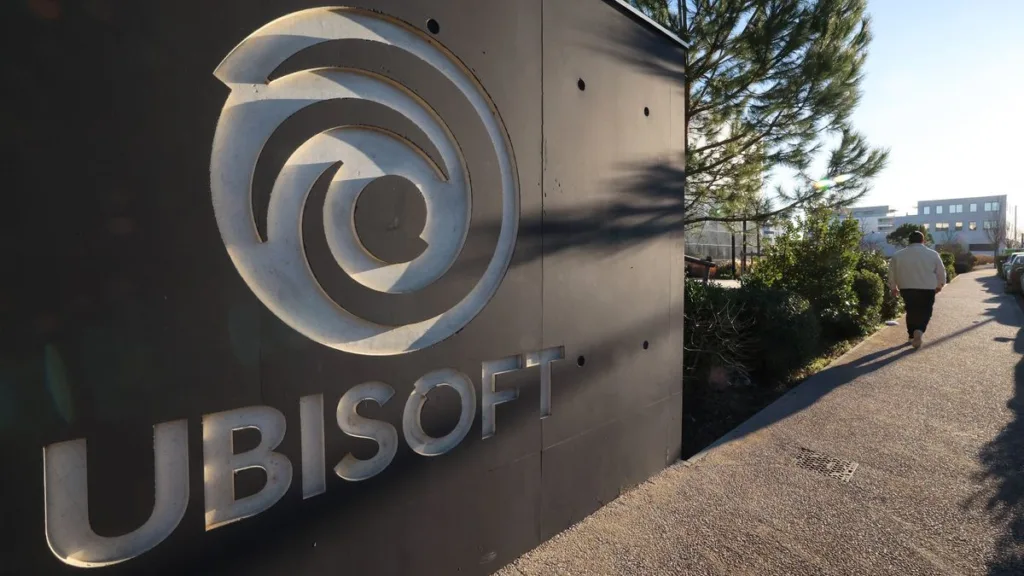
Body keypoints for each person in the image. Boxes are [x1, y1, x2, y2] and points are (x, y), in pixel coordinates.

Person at [887, 230, 946, 349]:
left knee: (911, 310)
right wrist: (940, 285)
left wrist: (893, 287)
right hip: (928, 287)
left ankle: (911, 334)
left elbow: (891, 273)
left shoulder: (898, 255)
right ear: (923, 240)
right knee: (926, 311)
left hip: (906, 287)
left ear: (909, 241)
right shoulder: (933, 254)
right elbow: (941, 271)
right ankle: (919, 330)